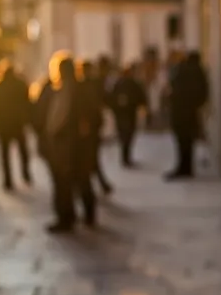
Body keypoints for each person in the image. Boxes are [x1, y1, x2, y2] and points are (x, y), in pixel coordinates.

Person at [37, 52, 98, 233]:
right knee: (62, 182)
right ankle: (66, 216)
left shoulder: (81, 91)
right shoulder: (52, 91)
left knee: (80, 180)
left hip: (76, 145)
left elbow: (93, 118)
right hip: (59, 145)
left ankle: (86, 213)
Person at [0, 59, 34, 190]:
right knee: (23, 151)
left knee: (5, 155)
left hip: (3, 125)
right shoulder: (20, 85)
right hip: (17, 123)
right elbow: (27, 104)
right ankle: (26, 174)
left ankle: (7, 180)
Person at [166, 50, 207, 180]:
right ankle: (186, 168)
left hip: (182, 113)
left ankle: (184, 168)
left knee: (183, 142)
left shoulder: (185, 71)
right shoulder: (197, 71)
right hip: (189, 112)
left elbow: (175, 89)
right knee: (187, 142)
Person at [78, 60, 112, 195]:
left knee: (91, 157)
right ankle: (101, 184)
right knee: (92, 157)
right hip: (91, 126)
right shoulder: (92, 84)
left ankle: (99, 184)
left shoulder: (83, 86)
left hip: (89, 126)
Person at [110, 63, 147, 167]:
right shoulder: (124, 84)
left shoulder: (124, 84)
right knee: (127, 135)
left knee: (126, 135)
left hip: (126, 113)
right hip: (126, 113)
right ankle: (126, 157)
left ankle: (126, 156)